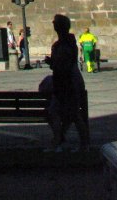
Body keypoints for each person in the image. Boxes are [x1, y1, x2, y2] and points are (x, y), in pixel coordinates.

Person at [44, 14, 89, 151]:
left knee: (62, 113)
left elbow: (64, 65)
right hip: (68, 81)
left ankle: (60, 140)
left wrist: (53, 63)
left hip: (66, 82)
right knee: (72, 114)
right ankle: (75, 142)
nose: (53, 24)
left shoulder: (62, 45)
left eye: (55, 23)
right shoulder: (68, 42)